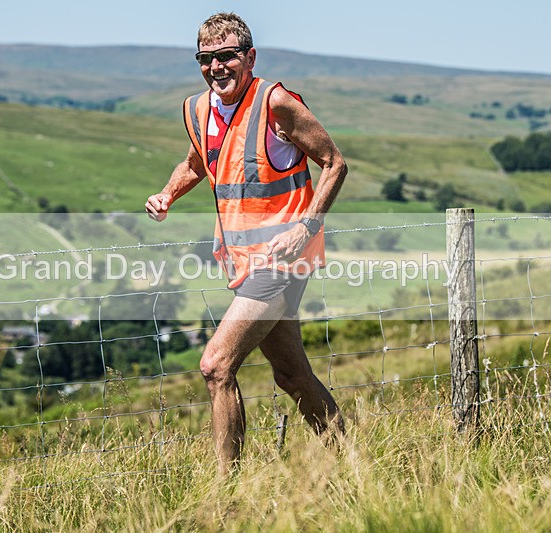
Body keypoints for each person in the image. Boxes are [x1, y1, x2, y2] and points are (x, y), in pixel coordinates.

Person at [145, 12, 347, 473]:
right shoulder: (196, 109)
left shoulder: (276, 102)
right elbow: (198, 161)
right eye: (207, 58)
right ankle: (351, 466)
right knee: (292, 375)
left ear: (250, 57)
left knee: (216, 365)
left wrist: (306, 227)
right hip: (242, 261)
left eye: (228, 56)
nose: (218, 67)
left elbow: (334, 163)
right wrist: (168, 194)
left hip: (282, 260)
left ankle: (225, 492)